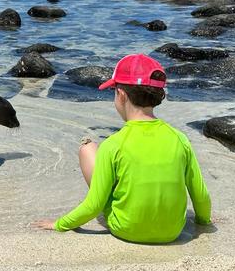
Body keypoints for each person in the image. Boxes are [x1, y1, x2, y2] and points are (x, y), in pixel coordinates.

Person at [33, 53, 211, 243]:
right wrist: (203, 221)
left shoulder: (114, 144)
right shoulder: (180, 139)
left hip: (127, 230)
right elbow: (201, 195)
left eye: (114, 91)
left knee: (88, 148)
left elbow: (93, 205)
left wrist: (60, 224)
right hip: (172, 232)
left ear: (121, 95)